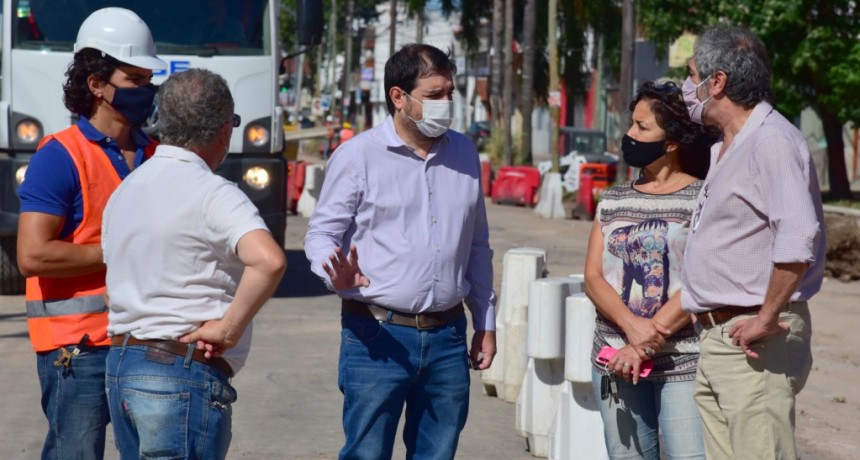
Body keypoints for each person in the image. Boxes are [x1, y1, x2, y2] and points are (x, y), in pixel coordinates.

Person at [304, 43, 496, 460]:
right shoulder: (358, 156)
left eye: (450, 93)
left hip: (448, 337)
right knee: (367, 453)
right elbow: (320, 234)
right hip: (377, 336)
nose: (446, 104)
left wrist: (486, 321)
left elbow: (477, 245)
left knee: (437, 452)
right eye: (433, 95)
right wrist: (331, 272)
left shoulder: (464, 153)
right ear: (398, 97)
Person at [100, 68, 286, 459]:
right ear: (223, 130)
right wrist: (229, 328)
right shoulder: (213, 193)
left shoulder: (127, 189)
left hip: (121, 366)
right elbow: (269, 261)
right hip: (178, 373)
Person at [16, 8, 166, 460]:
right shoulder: (59, 156)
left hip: (143, 339)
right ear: (97, 84)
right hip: (78, 347)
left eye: (147, 79)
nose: (146, 90)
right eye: (134, 79)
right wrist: (118, 251)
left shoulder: (158, 154)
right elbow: (33, 255)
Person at [680, 27, 825, 460]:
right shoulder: (729, 145)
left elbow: (799, 237)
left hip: (753, 339)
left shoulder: (771, 140)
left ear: (717, 81)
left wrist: (766, 317)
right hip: (720, 336)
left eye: (692, 76)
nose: (688, 88)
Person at [584, 81, 718, 460]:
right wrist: (631, 331)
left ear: (671, 142)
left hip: (683, 359)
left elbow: (701, 279)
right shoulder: (613, 199)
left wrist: (644, 342)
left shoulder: (701, 198)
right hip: (615, 358)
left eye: (642, 128)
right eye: (631, 124)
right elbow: (594, 277)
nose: (629, 134)